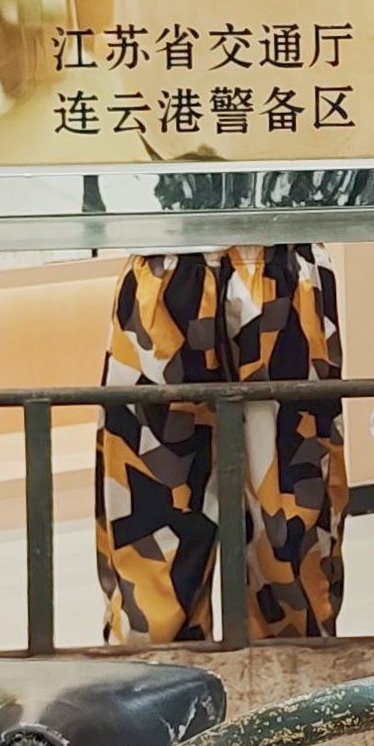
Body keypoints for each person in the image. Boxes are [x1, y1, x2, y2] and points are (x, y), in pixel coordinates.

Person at [98, 242, 352, 643]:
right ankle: (159, 679)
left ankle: (290, 679)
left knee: (291, 548)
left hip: (282, 258)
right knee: (152, 554)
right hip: (163, 261)